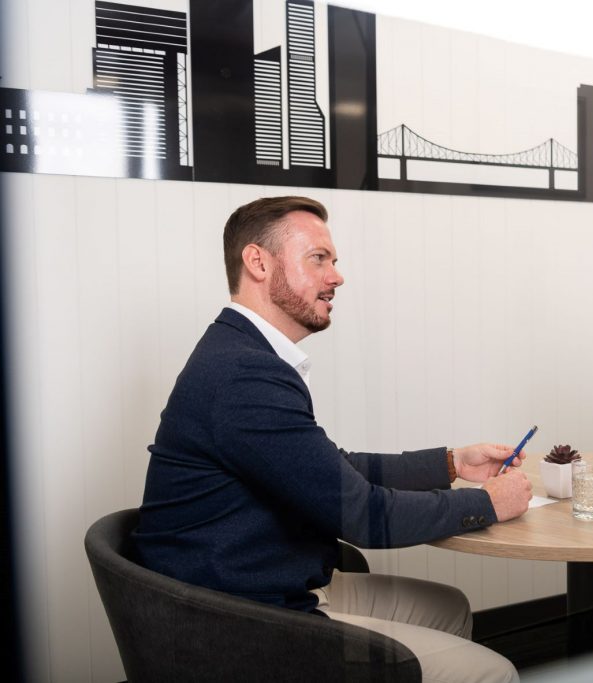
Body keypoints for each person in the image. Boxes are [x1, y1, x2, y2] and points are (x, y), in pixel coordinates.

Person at [132, 196, 531, 682]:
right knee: (494, 672)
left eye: (334, 261)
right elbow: (362, 514)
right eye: (318, 258)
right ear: (258, 262)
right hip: (243, 622)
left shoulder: (241, 353)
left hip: (259, 587)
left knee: (448, 607)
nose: (337, 276)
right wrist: (486, 503)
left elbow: (330, 470)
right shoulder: (244, 374)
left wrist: (450, 464)